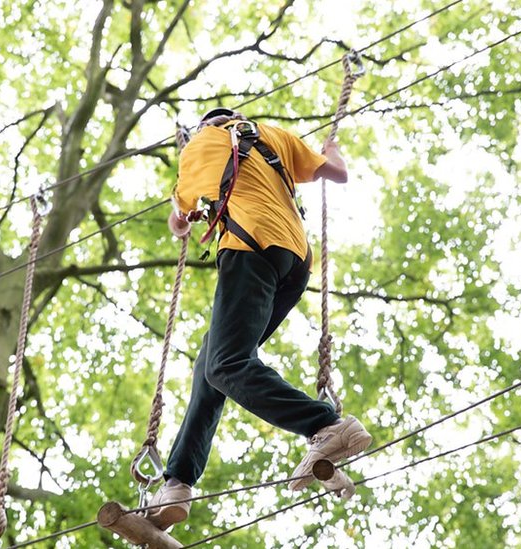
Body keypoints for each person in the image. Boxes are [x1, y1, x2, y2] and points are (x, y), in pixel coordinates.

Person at [147, 108, 372, 530]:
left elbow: (178, 222)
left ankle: (326, 425)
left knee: (226, 364)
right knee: (212, 363)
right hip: (294, 260)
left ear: (206, 128)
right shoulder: (272, 136)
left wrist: (190, 211)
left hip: (250, 247)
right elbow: (337, 173)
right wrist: (332, 150)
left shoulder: (201, 145)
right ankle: (178, 482)